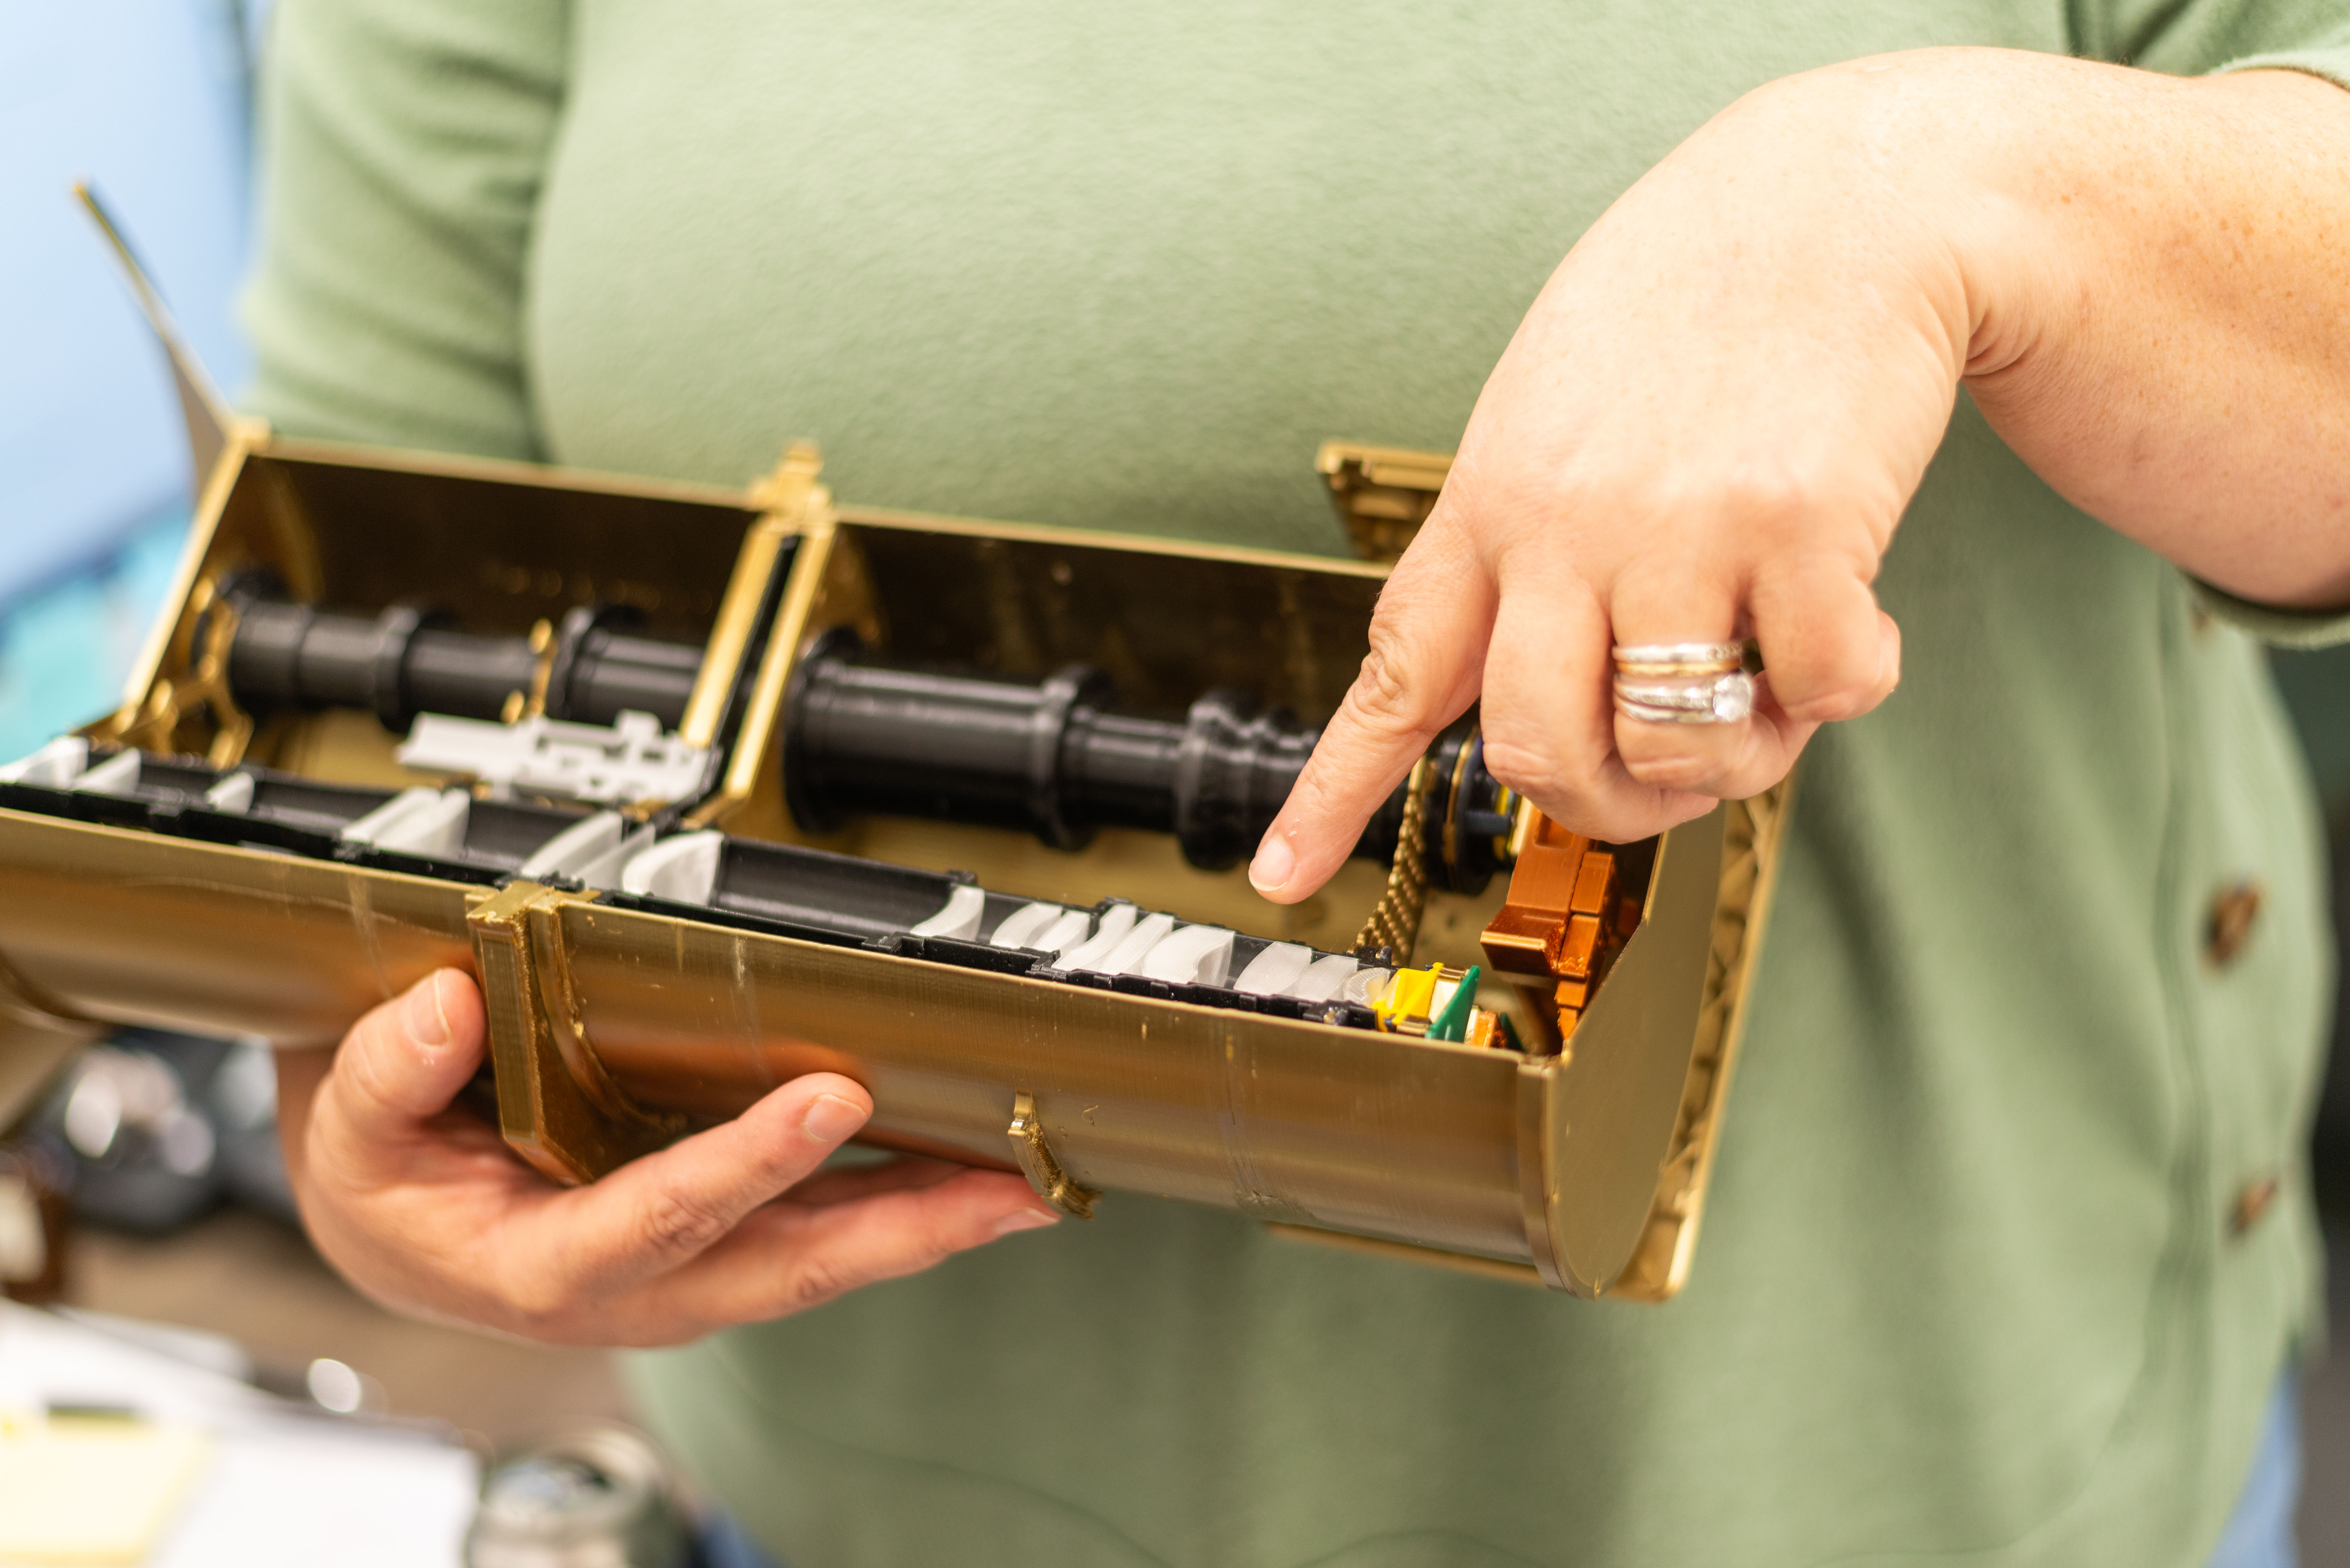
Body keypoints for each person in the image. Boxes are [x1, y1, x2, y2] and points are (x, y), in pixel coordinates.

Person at [245, 1, 2350, 1564]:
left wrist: (1940, 183)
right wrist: (408, 1147)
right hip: (885, 1512)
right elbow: (318, 725)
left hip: (1959, 1485)